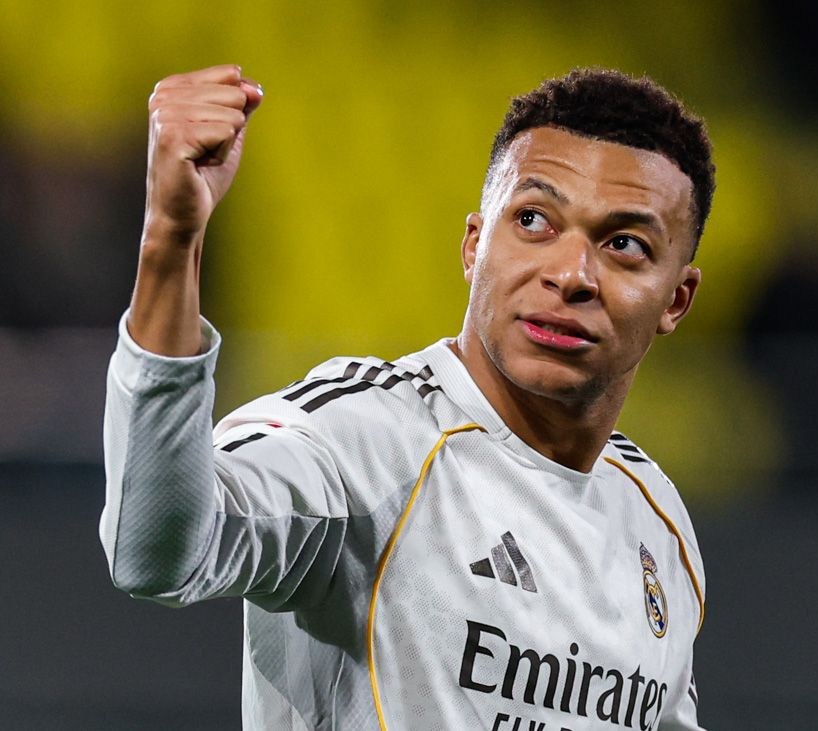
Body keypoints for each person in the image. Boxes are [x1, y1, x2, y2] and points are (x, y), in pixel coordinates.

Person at [101, 63, 714, 730]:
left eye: (624, 244)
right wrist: (171, 238)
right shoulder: (364, 440)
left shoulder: (658, 522)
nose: (570, 275)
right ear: (474, 247)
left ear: (675, 299)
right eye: (534, 220)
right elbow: (158, 554)